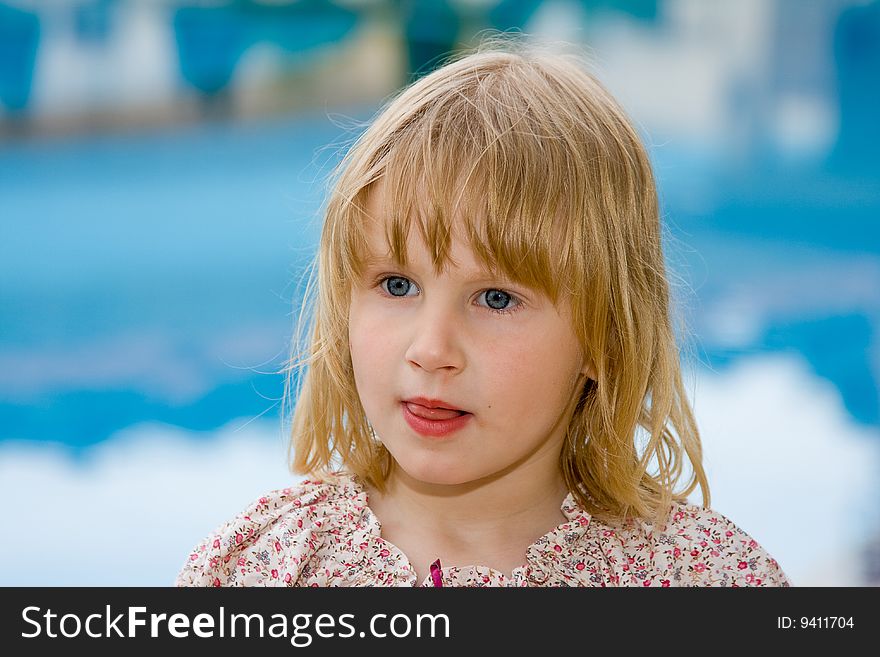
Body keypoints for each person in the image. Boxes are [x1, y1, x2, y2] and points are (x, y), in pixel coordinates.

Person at [176, 37, 790, 587]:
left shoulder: (699, 578)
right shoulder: (259, 569)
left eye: (496, 298)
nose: (431, 349)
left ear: (606, 336)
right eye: (396, 285)